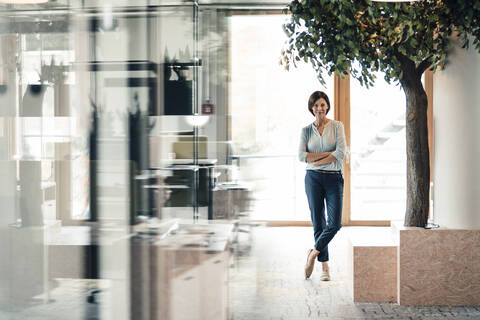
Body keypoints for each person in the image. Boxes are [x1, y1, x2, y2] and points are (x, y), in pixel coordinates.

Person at [298, 91, 346, 280]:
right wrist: (326, 156)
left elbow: (341, 152)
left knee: (334, 224)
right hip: (313, 179)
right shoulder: (306, 131)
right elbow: (302, 157)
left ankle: (312, 255)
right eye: (316, 105)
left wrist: (315, 159)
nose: (320, 108)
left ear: (327, 106)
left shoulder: (337, 126)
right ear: (311, 108)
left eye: (323, 105)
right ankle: (325, 267)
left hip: (334, 178)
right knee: (319, 222)